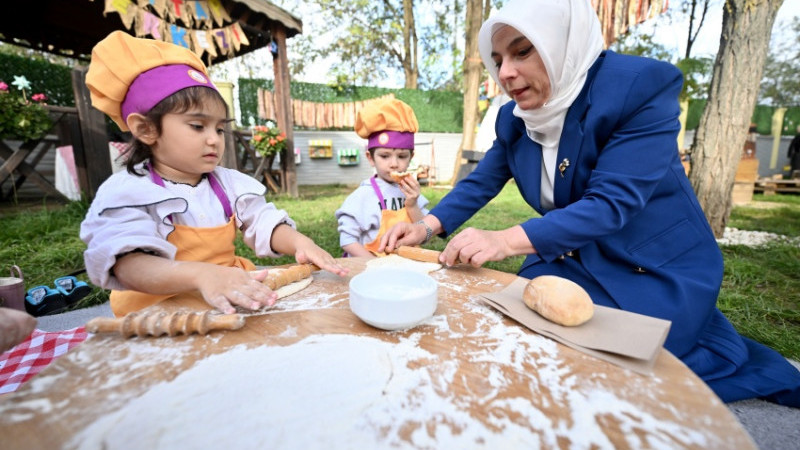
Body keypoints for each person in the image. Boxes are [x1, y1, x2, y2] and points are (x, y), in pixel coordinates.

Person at [381, 0, 800, 406]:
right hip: (572, 257)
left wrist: (504, 240)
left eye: (522, 52)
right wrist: (426, 226)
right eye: (498, 60)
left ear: (561, 42)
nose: (505, 72)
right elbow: (482, 181)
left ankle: (706, 348)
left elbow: (611, 203)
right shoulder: (515, 117)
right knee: (521, 337)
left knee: (599, 369)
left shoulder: (638, 87)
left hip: (653, 264)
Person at [80, 31, 347, 317]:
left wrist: (300, 243)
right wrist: (202, 275)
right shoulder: (128, 192)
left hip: (226, 301)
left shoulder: (228, 184)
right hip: (156, 315)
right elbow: (128, 266)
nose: (214, 140)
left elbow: (262, 221)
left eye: (219, 129)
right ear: (146, 129)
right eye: (198, 126)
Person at [335, 98, 430, 257]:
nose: (394, 164)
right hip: (370, 265)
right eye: (385, 156)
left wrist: (413, 205)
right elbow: (348, 240)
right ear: (370, 158)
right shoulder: (362, 196)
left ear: (411, 157)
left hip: (407, 265)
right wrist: (374, 265)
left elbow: (424, 234)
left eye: (402, 156)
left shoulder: (412, 192)